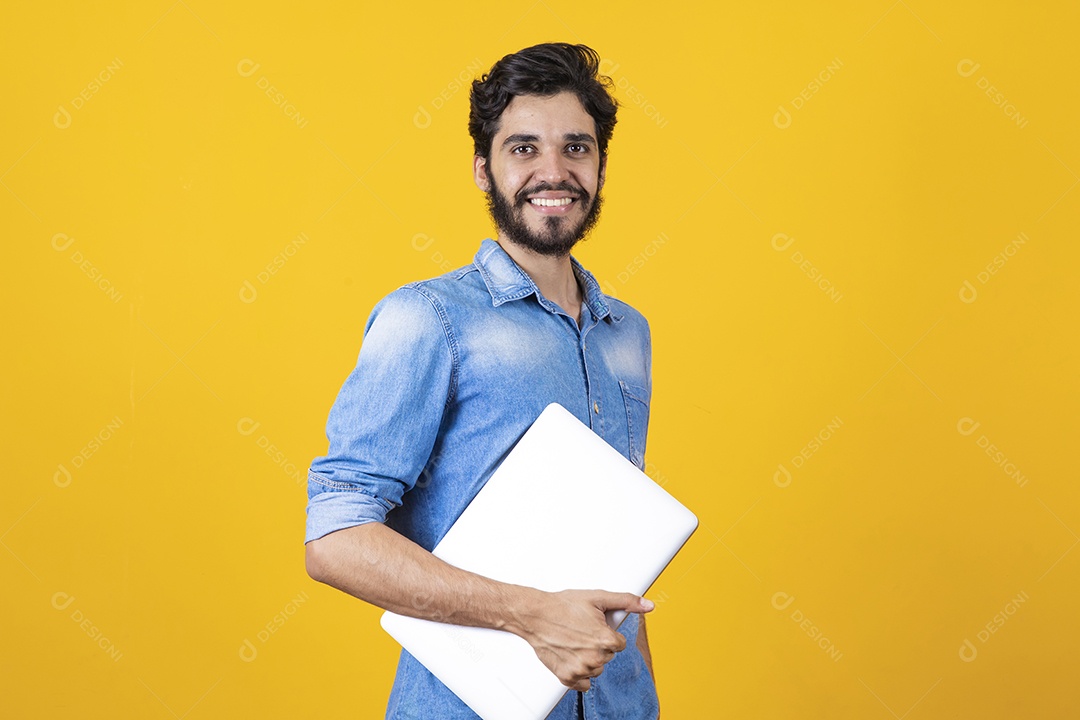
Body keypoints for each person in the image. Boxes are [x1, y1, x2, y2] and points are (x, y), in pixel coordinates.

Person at [304, 42, 659, 720]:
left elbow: (623, 545)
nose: (553, 171)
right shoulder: (426, 318)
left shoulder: (628, 336)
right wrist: (529, 614)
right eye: (524, 148)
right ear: (482, 168)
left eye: (576, 148)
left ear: (600, 166)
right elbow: (336, 538)